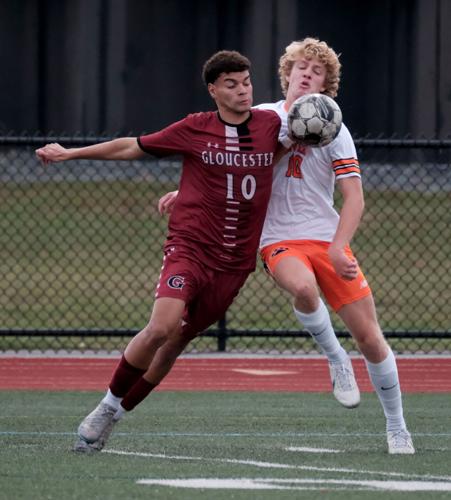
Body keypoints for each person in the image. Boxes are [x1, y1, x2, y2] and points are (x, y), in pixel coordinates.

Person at [159, 38, 415, 455]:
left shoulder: (335, 126)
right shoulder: (260, 118)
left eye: (317, 70)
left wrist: (339, 247)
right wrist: (183, 189)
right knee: (302, 288)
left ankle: (398, 427)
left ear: (326, 83)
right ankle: (335, 359)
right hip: (277, 237)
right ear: (288, 74)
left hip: (325, 237)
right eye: (301, 67)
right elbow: (224, 163)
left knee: (370, 337)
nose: (307, 73)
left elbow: (355, 197)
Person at [35, 50, 290, 453]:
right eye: (231, 84)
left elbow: (273, 153)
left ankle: (116, 416)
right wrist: (70, 153)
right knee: (161, 327)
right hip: (191, 247)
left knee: (177, 341)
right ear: (213, 90)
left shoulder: (271, 125)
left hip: (235, 262)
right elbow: (131, 147)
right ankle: (106, 405)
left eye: (246, 82)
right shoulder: (195, 127)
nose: (242, 91)